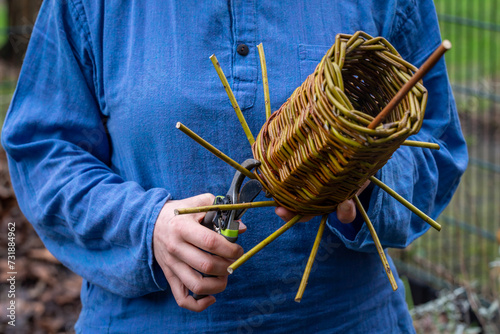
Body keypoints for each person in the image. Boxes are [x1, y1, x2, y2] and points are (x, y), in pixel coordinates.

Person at [2, 0, 467, 332]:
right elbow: (43, 147)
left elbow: (436, 146)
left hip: (344, 320)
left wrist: (365, 175)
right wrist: (147, 227)